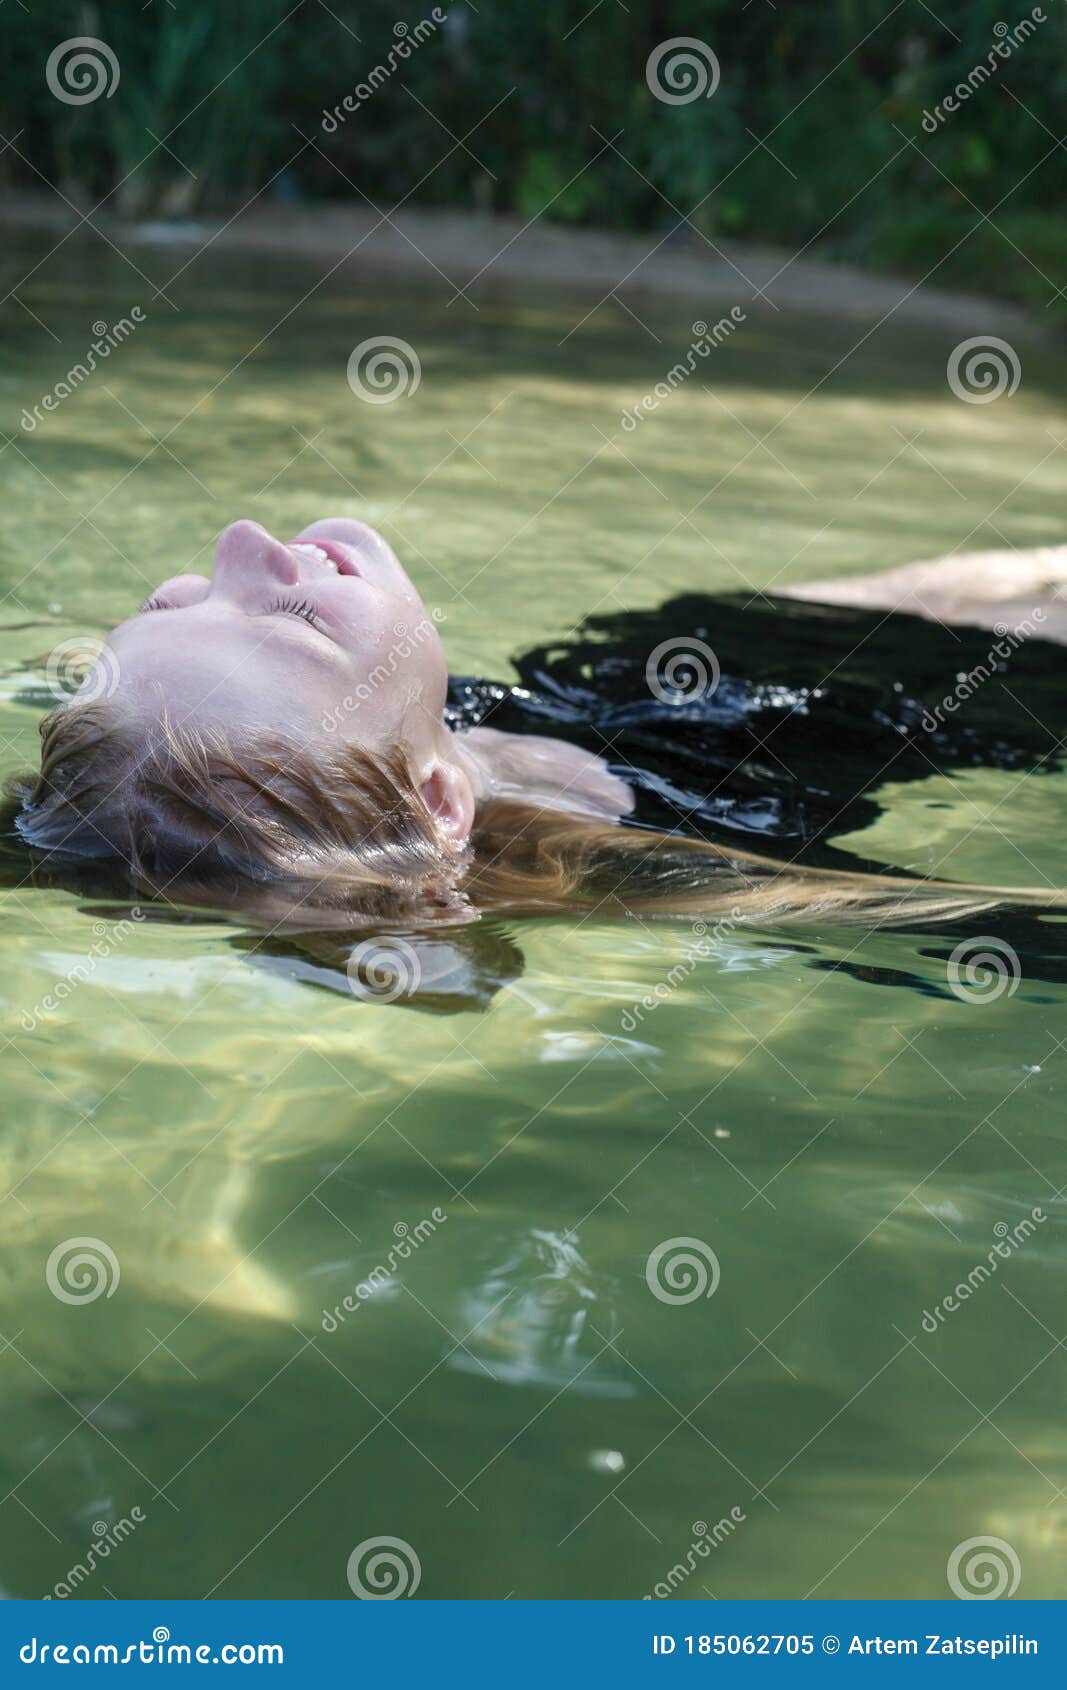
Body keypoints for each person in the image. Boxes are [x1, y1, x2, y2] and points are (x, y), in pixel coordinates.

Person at [7, 518, 1066, 948]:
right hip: (762, 745)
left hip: (583, 689)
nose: (240, 546)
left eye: (168, 601)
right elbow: (886, 910)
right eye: (294, 618)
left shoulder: (172, 773)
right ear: (438, 803)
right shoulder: (573, 857)